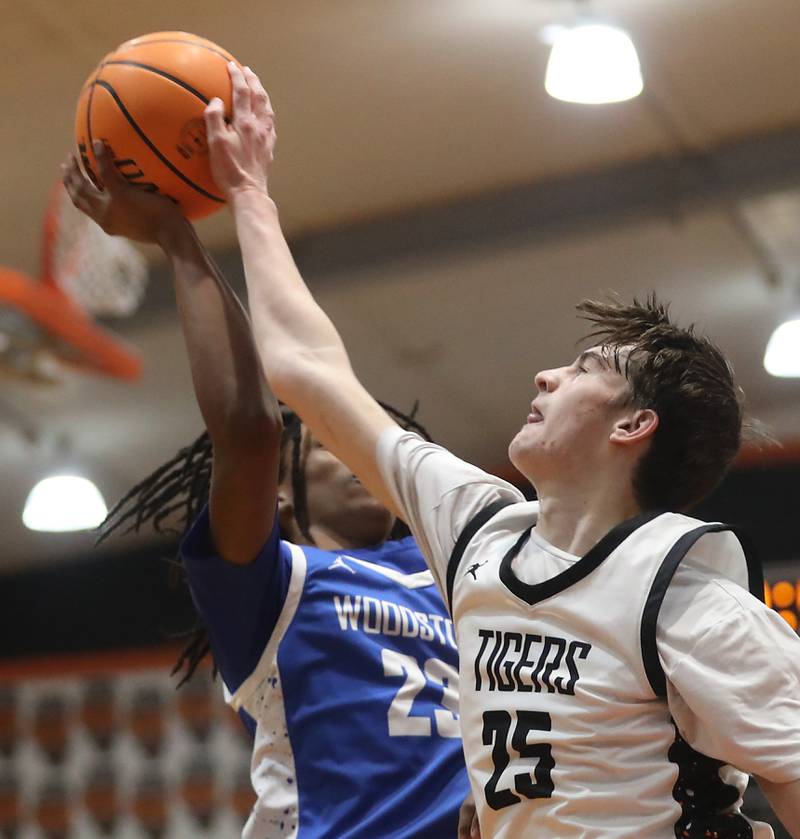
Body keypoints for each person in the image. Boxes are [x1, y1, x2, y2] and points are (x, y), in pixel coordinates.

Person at [202, 62, 800, 838]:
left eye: (585, 368)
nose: (548, 373)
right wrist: (249, 194)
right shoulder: (481, 531)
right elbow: (309, 373)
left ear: (632, 426)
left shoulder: (692, 604)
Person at [62, 148, 470, 839]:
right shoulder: (271, 589)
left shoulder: (463, 573)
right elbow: (248, 428)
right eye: (328, 442)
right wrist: (175, 237)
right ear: (280, 495)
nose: (368, 445)